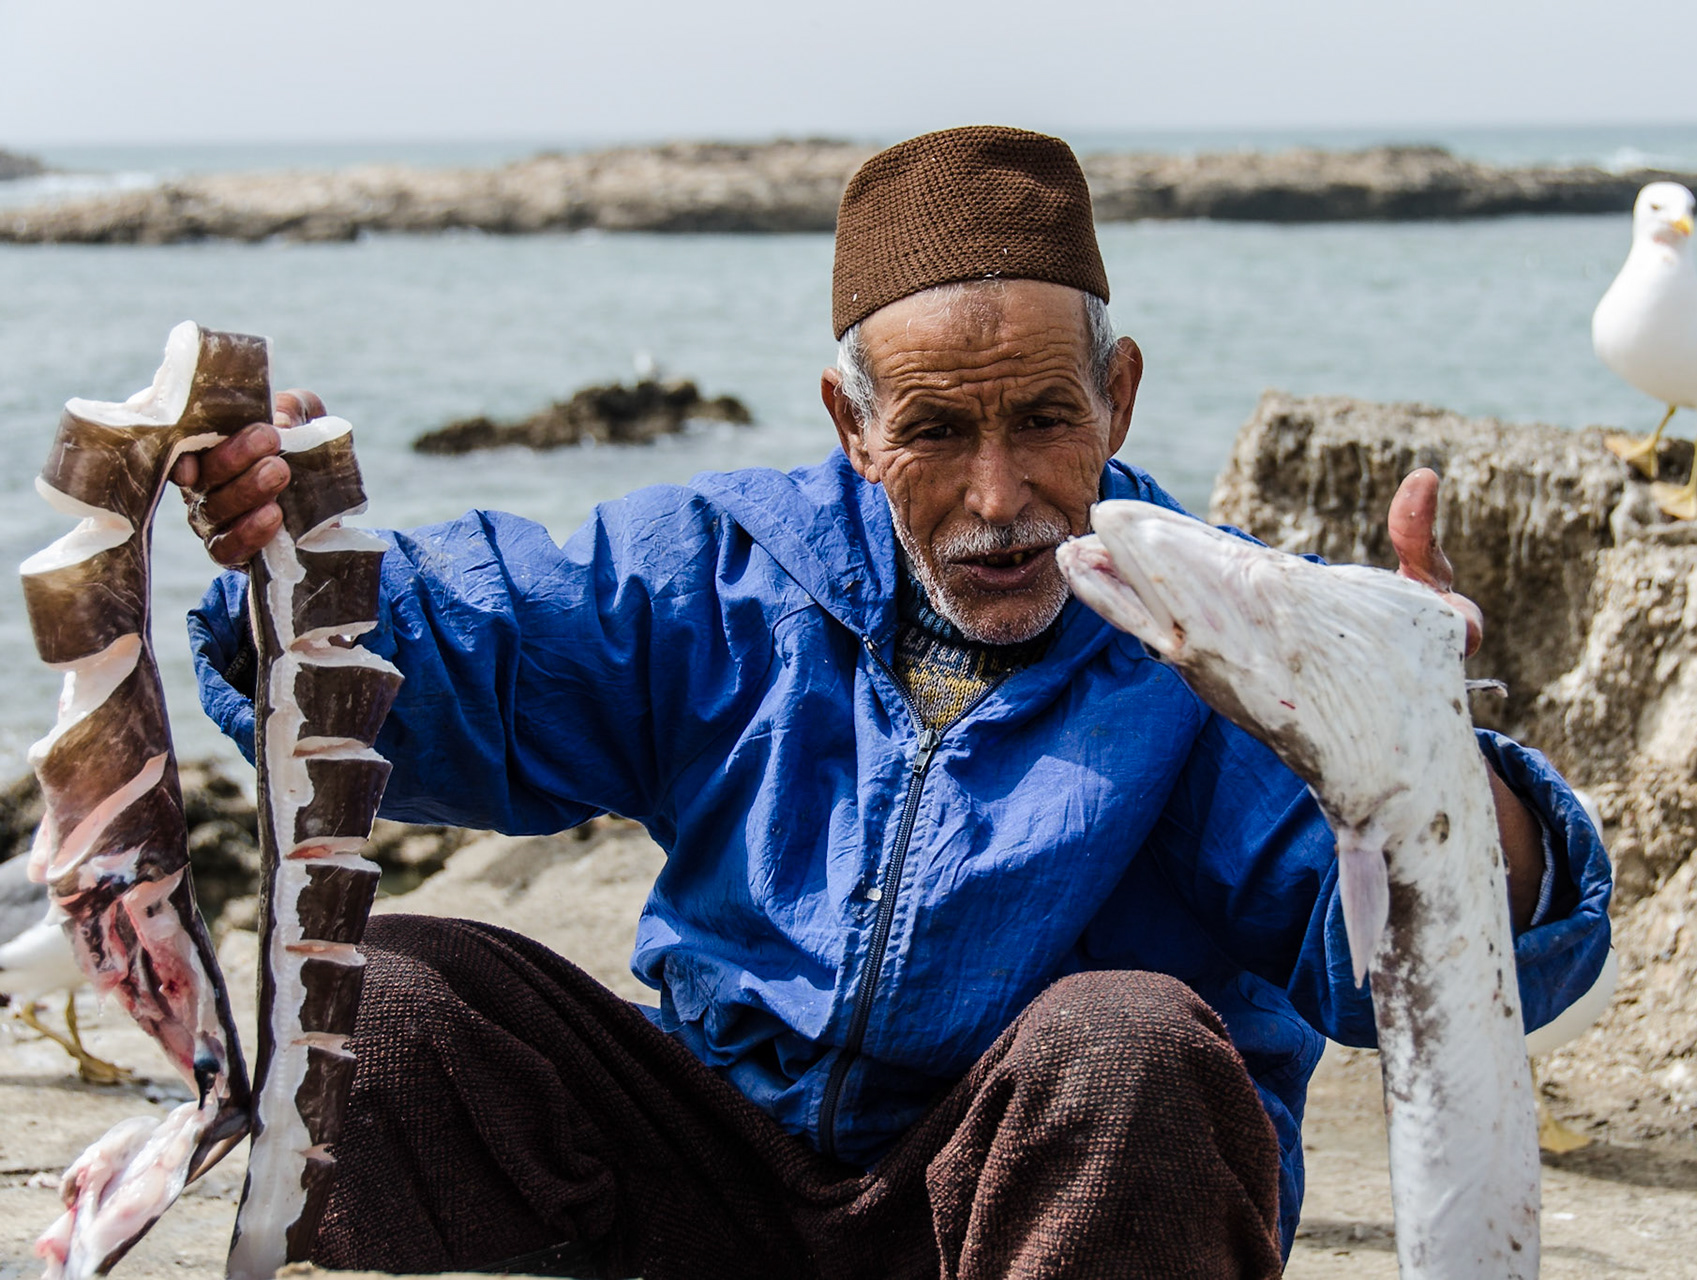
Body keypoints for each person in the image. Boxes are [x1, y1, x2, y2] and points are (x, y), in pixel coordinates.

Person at [180, 126, 1611, 1279]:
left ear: (1115, 396)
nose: (1002, 499)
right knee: (391, 999)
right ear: (851, 423)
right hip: (708, 1188)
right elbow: (463, 658)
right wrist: (298, 559)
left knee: (1133, 1053)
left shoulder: (1217, 632)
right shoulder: (720, 573)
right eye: (935, 430)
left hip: (1026, 1213)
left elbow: (1407, 962)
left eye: (1046, 418)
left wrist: (1421, 727)